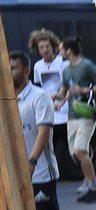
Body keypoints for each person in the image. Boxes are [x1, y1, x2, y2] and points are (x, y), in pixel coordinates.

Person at [10, 51, 71, 210]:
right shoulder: (6, 98)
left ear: (26, 71)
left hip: (41, 171)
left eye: (14, 67)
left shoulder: (39, 96)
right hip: (15, 171)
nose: (9, 71)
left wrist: (32, 161)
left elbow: (44, 132)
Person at [54, 36, 96, 201]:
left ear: (69, 51)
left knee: (80, 150)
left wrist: (84, 90)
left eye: (61, 49)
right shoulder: (66, 70)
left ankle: (93, 186)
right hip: (72, 115)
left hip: (86, 114)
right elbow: (64, 91)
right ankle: (88, 180)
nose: (59, 52)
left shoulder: (86, 65)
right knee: (75, 154)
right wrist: (58, 99)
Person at [29, 29, 69, 174]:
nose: (45, 50)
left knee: (73, 147)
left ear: (53, 46)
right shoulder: (38, 66)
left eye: (47, 46)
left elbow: (68, 86)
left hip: (64, 111)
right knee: (48, 145)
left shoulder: (62, 64)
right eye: (41, 47)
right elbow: (40, 87)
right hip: (49, 111)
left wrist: (62, 100)